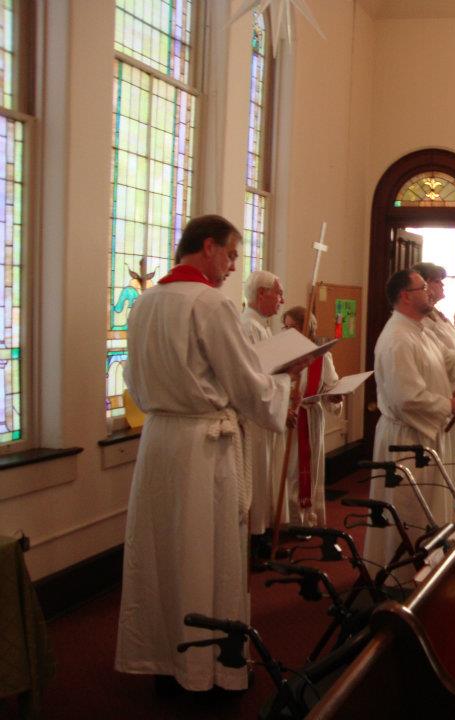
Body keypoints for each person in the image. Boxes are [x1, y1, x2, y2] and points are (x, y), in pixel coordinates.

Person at [115, 215, 306, 692]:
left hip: (160, 441)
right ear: (208, 247)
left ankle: (164, 656)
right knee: (204, 550)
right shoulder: (209, 304)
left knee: (163, 551)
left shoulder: (143, 304)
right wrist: (283, 386)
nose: (231, 268)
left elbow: (134, 382)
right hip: (203, 445)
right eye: (231, 255)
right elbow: (245, 383)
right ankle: (205, 670)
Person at [364, 269, 455, 579]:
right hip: (405, 438)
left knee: (428, 505)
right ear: (405, 295)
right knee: (407, 508)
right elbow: (407, 398)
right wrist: (449, 405)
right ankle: (399, 577)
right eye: (422, 289)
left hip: (424, 433)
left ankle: (428, 571)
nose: (430, 293)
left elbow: (450, 363)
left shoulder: (420, 330)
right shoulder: (397, 339)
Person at [413, 262, 455, 511]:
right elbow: (436, 365)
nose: (443, 286)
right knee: (442, 468)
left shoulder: (440, 317)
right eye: (438, 281)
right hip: (443, 400)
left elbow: (454, 357)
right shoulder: (422, 324)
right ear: (425, 284)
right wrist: (452, 394)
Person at [281, 305, 343, 525]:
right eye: (285, 327)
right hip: (286, 418)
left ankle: (307, 517)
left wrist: (335, 398)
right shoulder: (281, 355)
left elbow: (330, 388)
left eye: (292, 327)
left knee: (308, 470)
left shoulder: (321, 356)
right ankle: (287, 519)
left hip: (310, 417)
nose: (287, 332)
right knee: (288, 471)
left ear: (307, 329)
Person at [240, 270, 287, 551]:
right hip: (255, 415)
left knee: (267, 473)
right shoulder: (247, 326)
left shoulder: (264, 326)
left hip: (268, 410)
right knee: (256, 476)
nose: (283, 299)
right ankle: (255, 539)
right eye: (278, 293)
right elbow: (255, 374)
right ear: (262, 294)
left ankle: (265, 531)